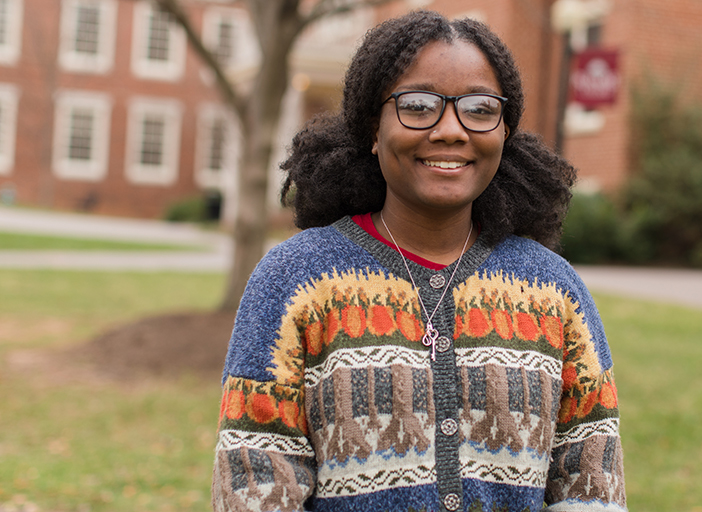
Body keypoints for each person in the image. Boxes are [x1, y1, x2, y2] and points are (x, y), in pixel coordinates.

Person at [212, 10, 626, 512]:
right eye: (419, 105)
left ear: (504, 131)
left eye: (479, 108)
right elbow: (254, 488)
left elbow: (591, 490)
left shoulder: (555, 291)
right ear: (372, 126)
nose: (451, 129)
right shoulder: (295, 281)